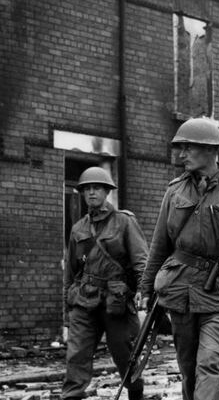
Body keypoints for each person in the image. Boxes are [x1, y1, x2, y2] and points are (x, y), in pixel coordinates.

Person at [139, 117, 219, 400]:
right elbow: (160, 245)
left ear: (210, 150)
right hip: (180, 292)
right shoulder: (174, 191)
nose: (181, 155)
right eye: (180, 148)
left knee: (209, 363)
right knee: (189, 369)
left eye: (188, 148)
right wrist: (145, 288)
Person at [62, 167, 148, 400]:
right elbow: (70, 273)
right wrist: (66, 316)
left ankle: (135, 395)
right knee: (76, 355)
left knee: (125, 355)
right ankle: (71, 396)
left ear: (107, 191)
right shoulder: (78, 228)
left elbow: (141, 261)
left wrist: (143, 293)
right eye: (87, 189)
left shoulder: (124, 222)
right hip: (84, 299)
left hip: (116, 301)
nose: (91, 193)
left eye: (96, 188)